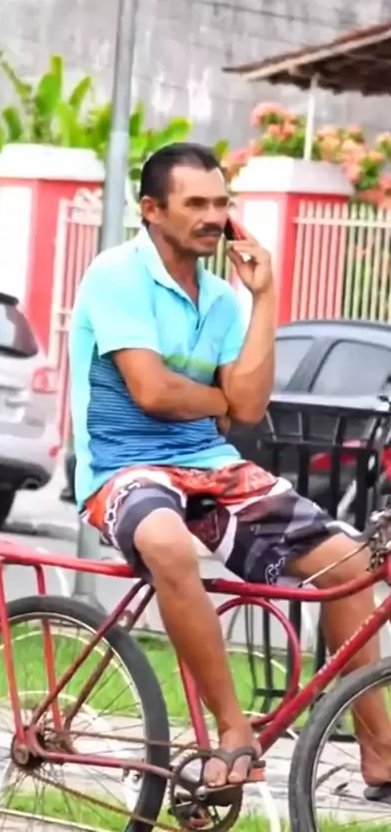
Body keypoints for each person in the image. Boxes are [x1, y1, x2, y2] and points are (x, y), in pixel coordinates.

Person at [69, 142, 391, 796]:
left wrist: (264, 296)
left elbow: (248, 406)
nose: (213, 217)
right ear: (152, 209)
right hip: (123, 468)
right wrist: (219, 399)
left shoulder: (221, 299)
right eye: (196, 204)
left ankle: (380, 752)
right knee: (167, 544)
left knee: (352, 565)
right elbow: (152, 392)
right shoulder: (116, 275)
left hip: (209, 465)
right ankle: (231, 728)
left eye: (221, 203)